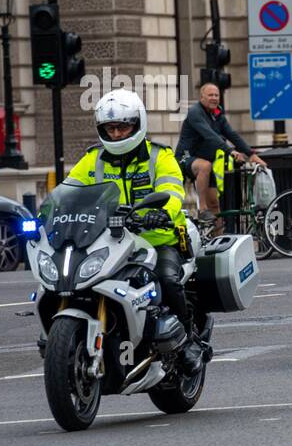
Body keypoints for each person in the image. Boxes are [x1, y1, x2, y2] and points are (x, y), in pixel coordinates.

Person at [65, 89, 203, 374]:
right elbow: (68, 190)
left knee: (167, 279)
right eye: (110, 128)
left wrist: (160, 213)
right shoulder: (93, 159)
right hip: (109, 241)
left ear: (137, 125)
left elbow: (172, 189)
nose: (116, 134)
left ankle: (188, 343)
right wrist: (48, 212)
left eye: (122, 127)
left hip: (158, 239)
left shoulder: (159, 156)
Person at [176, 82, 267, 227]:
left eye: (216, 95)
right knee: (204, 166)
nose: (214, 98)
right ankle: (202, 209)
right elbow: (210, 135)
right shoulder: (195, 112)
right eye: (210, 95)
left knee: (215, 205)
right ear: (201, 97)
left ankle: (217, 241)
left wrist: (251, 154)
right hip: (185, 157)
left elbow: (231, 134)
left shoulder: (217, 114)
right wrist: (230, 150)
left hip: (206, 164)